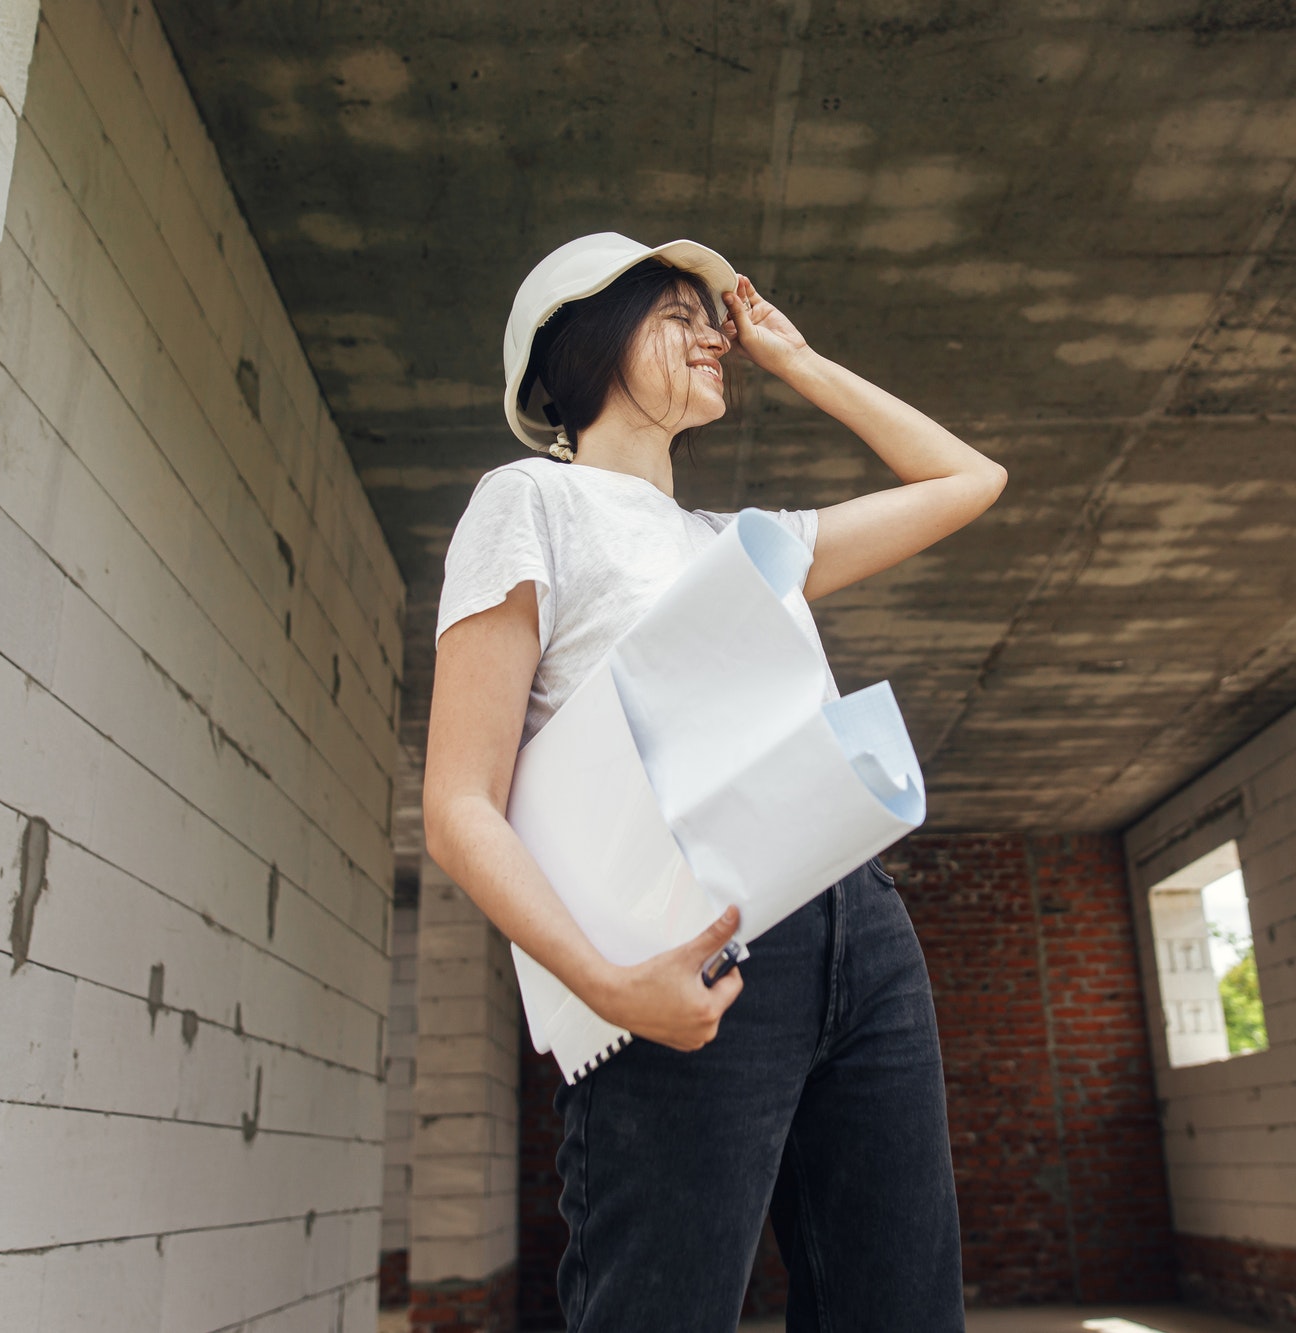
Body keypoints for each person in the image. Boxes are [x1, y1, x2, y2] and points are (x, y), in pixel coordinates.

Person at [423, 233, 1006, 1332]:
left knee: (902, 1308)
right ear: (582, 339)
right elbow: (458, 808)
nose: (713, 335)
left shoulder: (742, 541)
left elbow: (966, 480)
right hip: (684, 953)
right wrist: (605, 982)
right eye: (676, 314)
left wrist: (800, 362)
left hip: (861, 934)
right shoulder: (527, 503)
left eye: (714, 317)